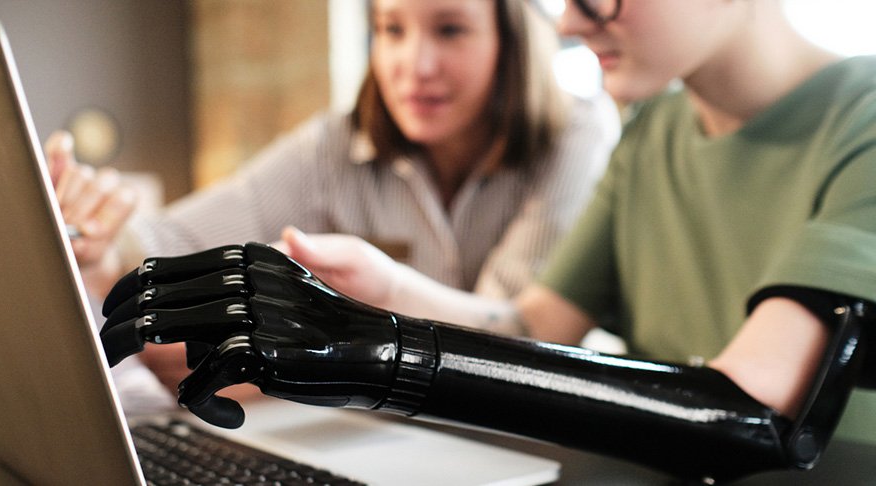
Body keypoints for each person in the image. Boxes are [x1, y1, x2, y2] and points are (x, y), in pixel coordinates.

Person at [95, 0, 876, 480]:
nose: (567, 22)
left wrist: (379, 348)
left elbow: (747, 417)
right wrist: (390, 295)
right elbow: (536, 328)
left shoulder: (864, 119)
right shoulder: (652, 134)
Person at [47, 0, 619, 393]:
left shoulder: (577, 135)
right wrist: (99, 235)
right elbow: (170, 239)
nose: (414, 66)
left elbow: (519, 341)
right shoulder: (331, 146)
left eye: (450, 30)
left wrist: (377, 301)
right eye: (391, 29)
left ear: (513, 39)